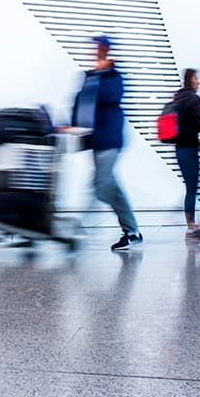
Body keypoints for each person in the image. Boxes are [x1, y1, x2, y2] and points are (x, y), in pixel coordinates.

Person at [72, 35, 142, 251]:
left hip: (110, 138)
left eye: (99, 46)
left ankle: (82, 227)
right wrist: (71, 125)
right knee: (108, 184)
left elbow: (110, 97)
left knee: (100, 185)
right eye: (94, 46)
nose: (95, 50)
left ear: (106, 49)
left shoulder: (113, 77)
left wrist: (100, 73)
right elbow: (81, 102)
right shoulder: (90, 76)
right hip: (94, 139)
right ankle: (132, 231)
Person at [173, 69, 200, 238]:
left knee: (190, 187)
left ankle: (191, 222)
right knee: (192, 187)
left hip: (179, 148)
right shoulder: (194, 98)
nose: (199, 81)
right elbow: (198, 124)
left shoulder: (177, 98)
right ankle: (191, 225)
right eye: (196, 78)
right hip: (189, 147)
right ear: (190, 80)